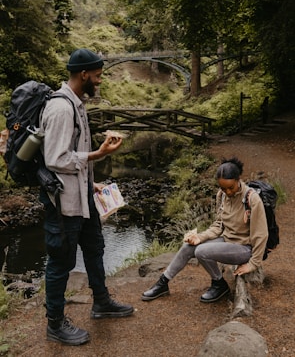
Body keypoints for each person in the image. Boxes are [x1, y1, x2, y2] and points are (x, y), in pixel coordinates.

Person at [39, 48, 134, 346]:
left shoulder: (77, 104)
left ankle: (101, 303)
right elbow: (55, 158)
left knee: (94, 248)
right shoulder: (61, 108)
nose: (100, 81)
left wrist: (91, 183)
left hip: (83, 198)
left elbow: (72, 155)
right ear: (83, 75)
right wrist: (100, 153)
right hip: (63, 203)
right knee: (60, 262)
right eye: (97, 76)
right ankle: (54, 324)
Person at [142, 157, 268, 304]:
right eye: (223, 188)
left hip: (244, 248)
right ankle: (163, 283)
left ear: (238, 179)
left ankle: (218, 284)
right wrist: (200, 238)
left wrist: (253, 264)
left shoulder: (252, 199)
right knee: (189, 246)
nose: (227, 192)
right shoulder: (221, 196)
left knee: (202, 252)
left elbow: (261, 235)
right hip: (227, 240)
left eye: (231, 188)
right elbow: (218, 225)